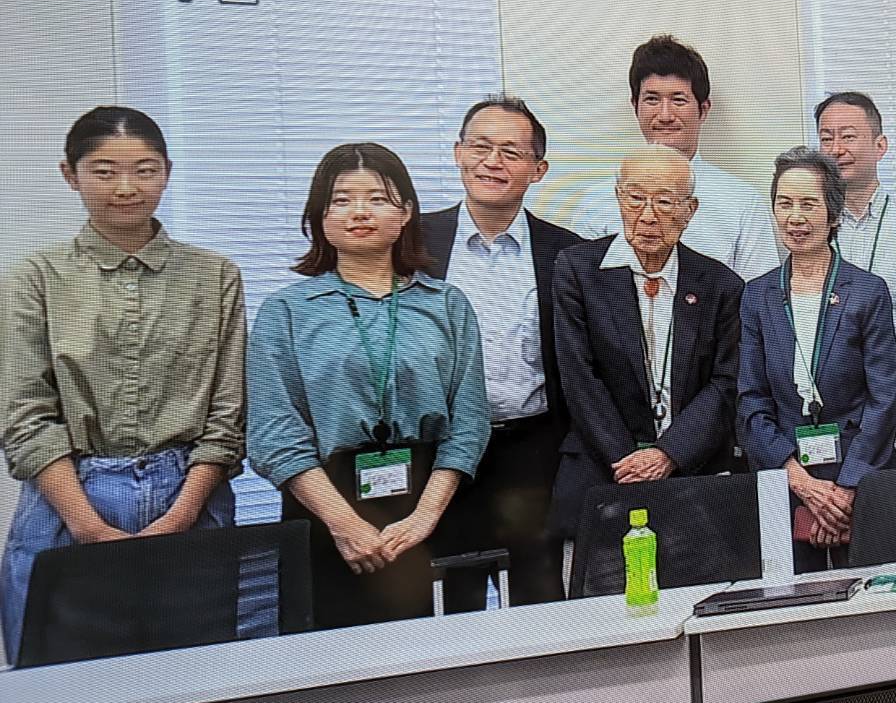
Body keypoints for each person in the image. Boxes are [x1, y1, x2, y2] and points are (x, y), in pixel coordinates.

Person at [0, 106, 244, 665]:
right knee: (60, 689)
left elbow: (228, 414)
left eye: (145, 170)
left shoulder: (215, 276)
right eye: (104, 171)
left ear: (168, 172)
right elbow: (25, 417)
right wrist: (88, 525)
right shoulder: (34, 280)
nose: (127, 188)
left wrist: (180, 517)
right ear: (70, 175)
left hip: (190, 494)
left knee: (200, 681)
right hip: (68, 498)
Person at [246, 143, 490, 631]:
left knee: (449, 655)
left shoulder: (447, 305)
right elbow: (274, 434)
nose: (359, 212)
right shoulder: (286, 311)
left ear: (406, 213)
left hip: (435, 507)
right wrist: (345, 525)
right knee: (335, 664)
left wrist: (424, 517)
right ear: (319, 216)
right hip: (325, 510)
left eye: (378, 199)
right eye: (341, 200)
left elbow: (469, 422)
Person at [421, 96, 581, 607]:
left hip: (531, 455)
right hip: (439, 457)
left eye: (511, 152)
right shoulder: (413, 244)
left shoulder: (567, 253)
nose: (493, 162)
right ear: (457, 153)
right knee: (451, 604)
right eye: (480, 147)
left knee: (540, 602)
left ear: (538, 169)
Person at [550, 144, 744, 556]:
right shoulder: (578, 271)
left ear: (690, 210)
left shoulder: (721, 285)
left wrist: (669, 453)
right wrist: (628, 460)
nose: (648, 215)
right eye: (636, 198)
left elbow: (726, 383)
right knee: (604, 590)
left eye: (665, 202)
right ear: (619, 198)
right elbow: (579, 377)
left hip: (692, 475)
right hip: (603, 471)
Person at [738, 148, 896, 572]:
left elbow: (884, 399)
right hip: (787, 478)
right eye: (784, 203)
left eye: (809, 204)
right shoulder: (756, 296)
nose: (795, 217)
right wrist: (802, 483)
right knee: (791, 599)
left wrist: (843, 490)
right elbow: (752, 401)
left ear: (833, 213)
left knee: (875, 595)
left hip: (861, 475)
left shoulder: (868, 292)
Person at [574, 34, 779, 280]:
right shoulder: (596, 201)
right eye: (652, 99)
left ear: (703, 109)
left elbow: (760, 297)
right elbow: (579, 288)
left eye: (678, 100)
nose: (665, 115)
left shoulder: (743, 204)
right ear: (635, 106)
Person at [815, 92, 896, 468]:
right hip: (828, 404)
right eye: (826, 138)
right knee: (833, 499)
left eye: (848, 136)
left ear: (880, 145)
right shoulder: (808, 225)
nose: (836, 149)